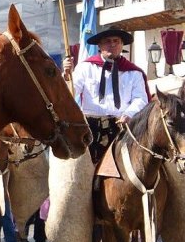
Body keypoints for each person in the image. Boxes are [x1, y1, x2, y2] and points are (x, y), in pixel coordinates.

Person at [63, 27, 150, 165]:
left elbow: (141, 99)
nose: (112, 44)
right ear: (99, 45)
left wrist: (129, 114)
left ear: (122, 45)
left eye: (116, 41)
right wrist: (68, 76)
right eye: (107, 41)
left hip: (122, 127)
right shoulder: (85, 67)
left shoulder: (134, 73)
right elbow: (69, 93)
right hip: (90, 128)